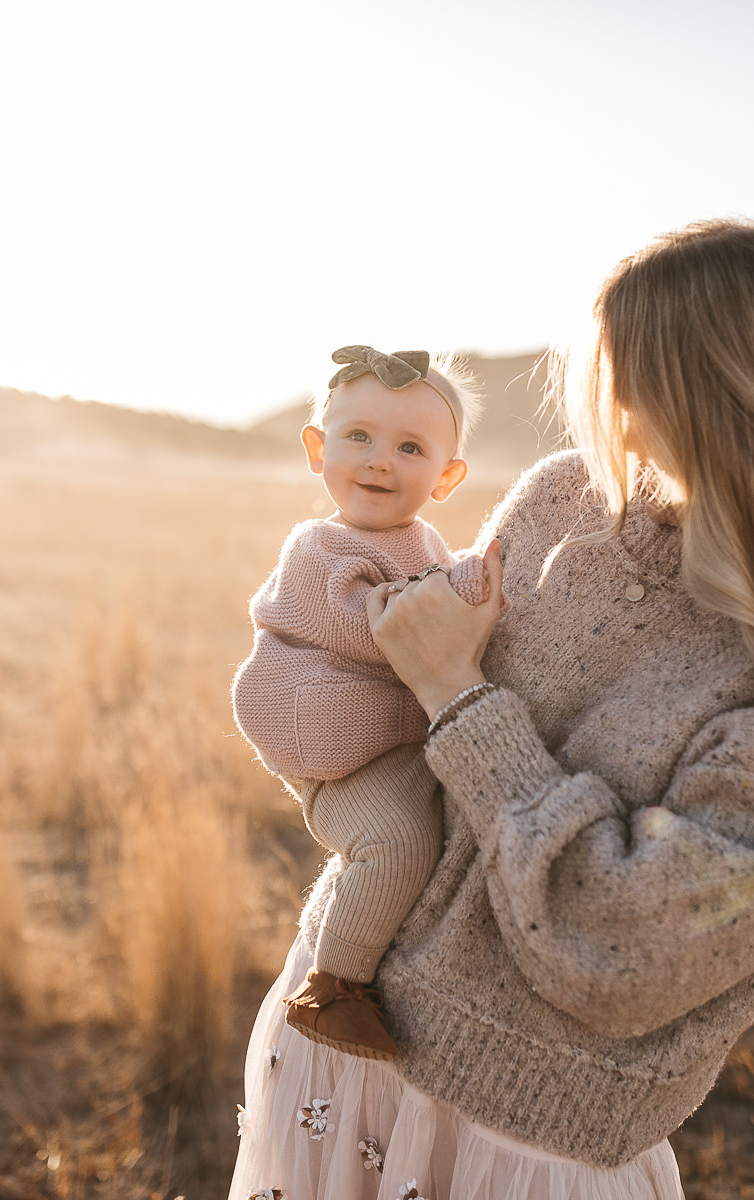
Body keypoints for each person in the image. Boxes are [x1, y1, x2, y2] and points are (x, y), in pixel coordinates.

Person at [229, 219, 754, 1200]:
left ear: (725, 391)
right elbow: (417, 721)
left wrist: (456, 699)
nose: (615, 417)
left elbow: (620, 948)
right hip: (341, 1033)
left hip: (521, 1134)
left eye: (631, 380)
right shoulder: (563, 502)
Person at [232, 345, 492, 1061]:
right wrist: (467, 595)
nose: (380, 460)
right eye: (359, 437)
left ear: (445, 477)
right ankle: (335, 988)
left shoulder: (426, 542)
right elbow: (380, 629)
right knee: (398, 843)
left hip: (393, 745)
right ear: (317, 450)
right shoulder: (319, 548)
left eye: (410, 447)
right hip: (339, 759)